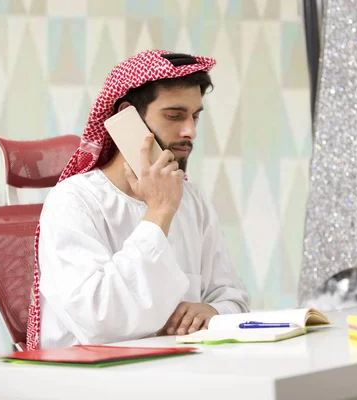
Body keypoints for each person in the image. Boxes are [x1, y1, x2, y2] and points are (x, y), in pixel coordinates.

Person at [25, 50, 250, 350]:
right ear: (126, 116)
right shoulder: (73, 202)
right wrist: (158, 213)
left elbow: (233, 297)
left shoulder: (192, 200)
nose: (190, 131)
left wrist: (212, 311)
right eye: (174, 116)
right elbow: (101, 323)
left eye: (195, 116)